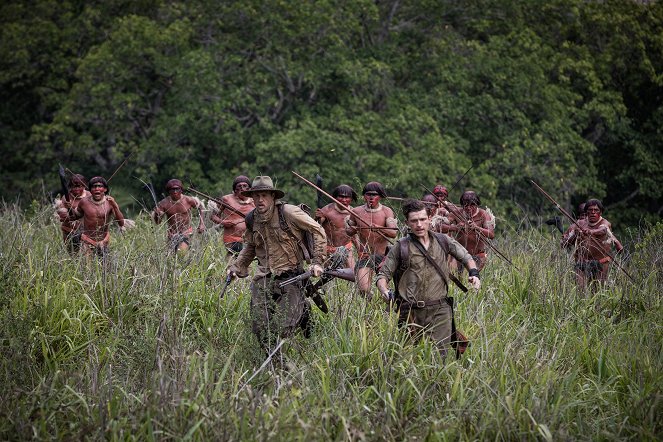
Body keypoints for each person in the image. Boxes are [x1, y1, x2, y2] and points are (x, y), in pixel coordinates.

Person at [227, 176, 327, 354]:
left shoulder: (289, 212)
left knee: (282, 327)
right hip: (264, 276)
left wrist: (318, 262)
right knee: (259, 326)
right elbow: (250, 246)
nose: (259, 200)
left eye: (264, 195)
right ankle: (275, 363)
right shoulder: (252, 219)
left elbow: (317, 230)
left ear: (273, 196)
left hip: (292, 275)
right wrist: (236, 267)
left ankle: (302, 311)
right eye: (256, 196)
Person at [376, 199, 481, 359]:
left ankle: (441, 383)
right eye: (414, 221)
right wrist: (384, 290)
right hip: (410, 311)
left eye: (423, 219)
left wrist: (474, 273)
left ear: (429, 219)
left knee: (441, 357)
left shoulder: (443, 241)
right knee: (410, 357)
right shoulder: (401, 247)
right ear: (407, 223)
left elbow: (466, 256)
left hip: (440, 310)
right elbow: (383, 275)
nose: (419, 224)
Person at [345, 181, 398, 300]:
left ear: (380, 196)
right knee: (363, 290)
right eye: (368, 194)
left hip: (383, 256)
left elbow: (393, 233)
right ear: (364, 196)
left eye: (374, 195)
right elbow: (349, 232)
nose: (371, 197)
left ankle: (388, 305)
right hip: (365, 256)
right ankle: (369, 307)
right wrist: (353, 229)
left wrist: (379, 228)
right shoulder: (356, 212)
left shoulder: (386, 211)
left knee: (384, 288)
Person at [561, 198, 623, 289]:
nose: (593, 212)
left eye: (596, 210)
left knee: (597, 290)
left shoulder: (605, 223)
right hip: (582, 263)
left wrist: (591, 232)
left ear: (600, 212)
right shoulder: (579, 224)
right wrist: (574, 235)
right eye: (590, 210)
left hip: (601, 263)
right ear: (586, 212)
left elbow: (603, 229)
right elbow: (564, 244)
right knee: (580, 289)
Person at [64, 176, 126, 258]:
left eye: (99, 186)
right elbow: (74, 217)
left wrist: (115, 206)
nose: (97, 189)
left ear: (105, 189)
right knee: (86, 269)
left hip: (103, 241)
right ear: (90, 190)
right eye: (94, 186)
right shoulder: (84, 202)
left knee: (105, 269)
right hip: (86, 240)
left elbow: (121, 223)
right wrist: (70, 208)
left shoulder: (110, 202)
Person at [439, 190, 495, 271]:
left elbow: (491, 234)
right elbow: (440, 227)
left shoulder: (483, 215)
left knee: (472, 275)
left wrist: (477, 228)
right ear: (462, 205)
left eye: (472, 205)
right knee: (452, 271)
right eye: (466, 205)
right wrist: (455, 227)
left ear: (477, 204)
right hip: (459, 253)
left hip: (478, 255)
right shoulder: (457, 213)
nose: (469, 208)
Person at [152, 179, 205, 253]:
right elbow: (157, 222)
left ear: (181, 190)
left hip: (186, 232)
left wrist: (201, 224)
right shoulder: (163, 204)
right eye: (172, 189)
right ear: (169, 191)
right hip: (171, 234)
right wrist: (157, 214)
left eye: (177, 189)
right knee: (171, 258)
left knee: (181, 254)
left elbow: (200, 207)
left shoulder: (188, 200)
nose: (175, 191)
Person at [209, 175, 255, 258]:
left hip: (248, 240)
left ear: (249, 189)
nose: (242, 188)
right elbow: (213, 216)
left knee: (245, 266)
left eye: (245, 186)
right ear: (235, 189)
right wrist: (223, 222)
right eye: (239, 186)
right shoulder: (226, 200)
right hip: (231, 238)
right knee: (234, 262)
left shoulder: (254, 202)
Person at [315, 184, 357, 269]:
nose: (344, 200)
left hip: (347, 249)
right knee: (327, 276)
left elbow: (356, 235)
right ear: (335, 197)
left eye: (347, 197)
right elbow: (316, 227)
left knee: (353, 274)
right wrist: (317, 217)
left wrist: (361, 251)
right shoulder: (327, 210)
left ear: (351, 199)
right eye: (341, 197)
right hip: (328, 250)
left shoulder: (354, 213)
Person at [54, 174, 90, 254]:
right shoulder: (66, 198)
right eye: (74, 186)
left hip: (86, 231)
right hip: (69, 230)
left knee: (87, 255)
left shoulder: (89, 195)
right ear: (70, 187)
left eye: (79, 186)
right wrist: (67, 210)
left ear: (84, 186)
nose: (76, 189)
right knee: (73, 254)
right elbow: (62, 217)